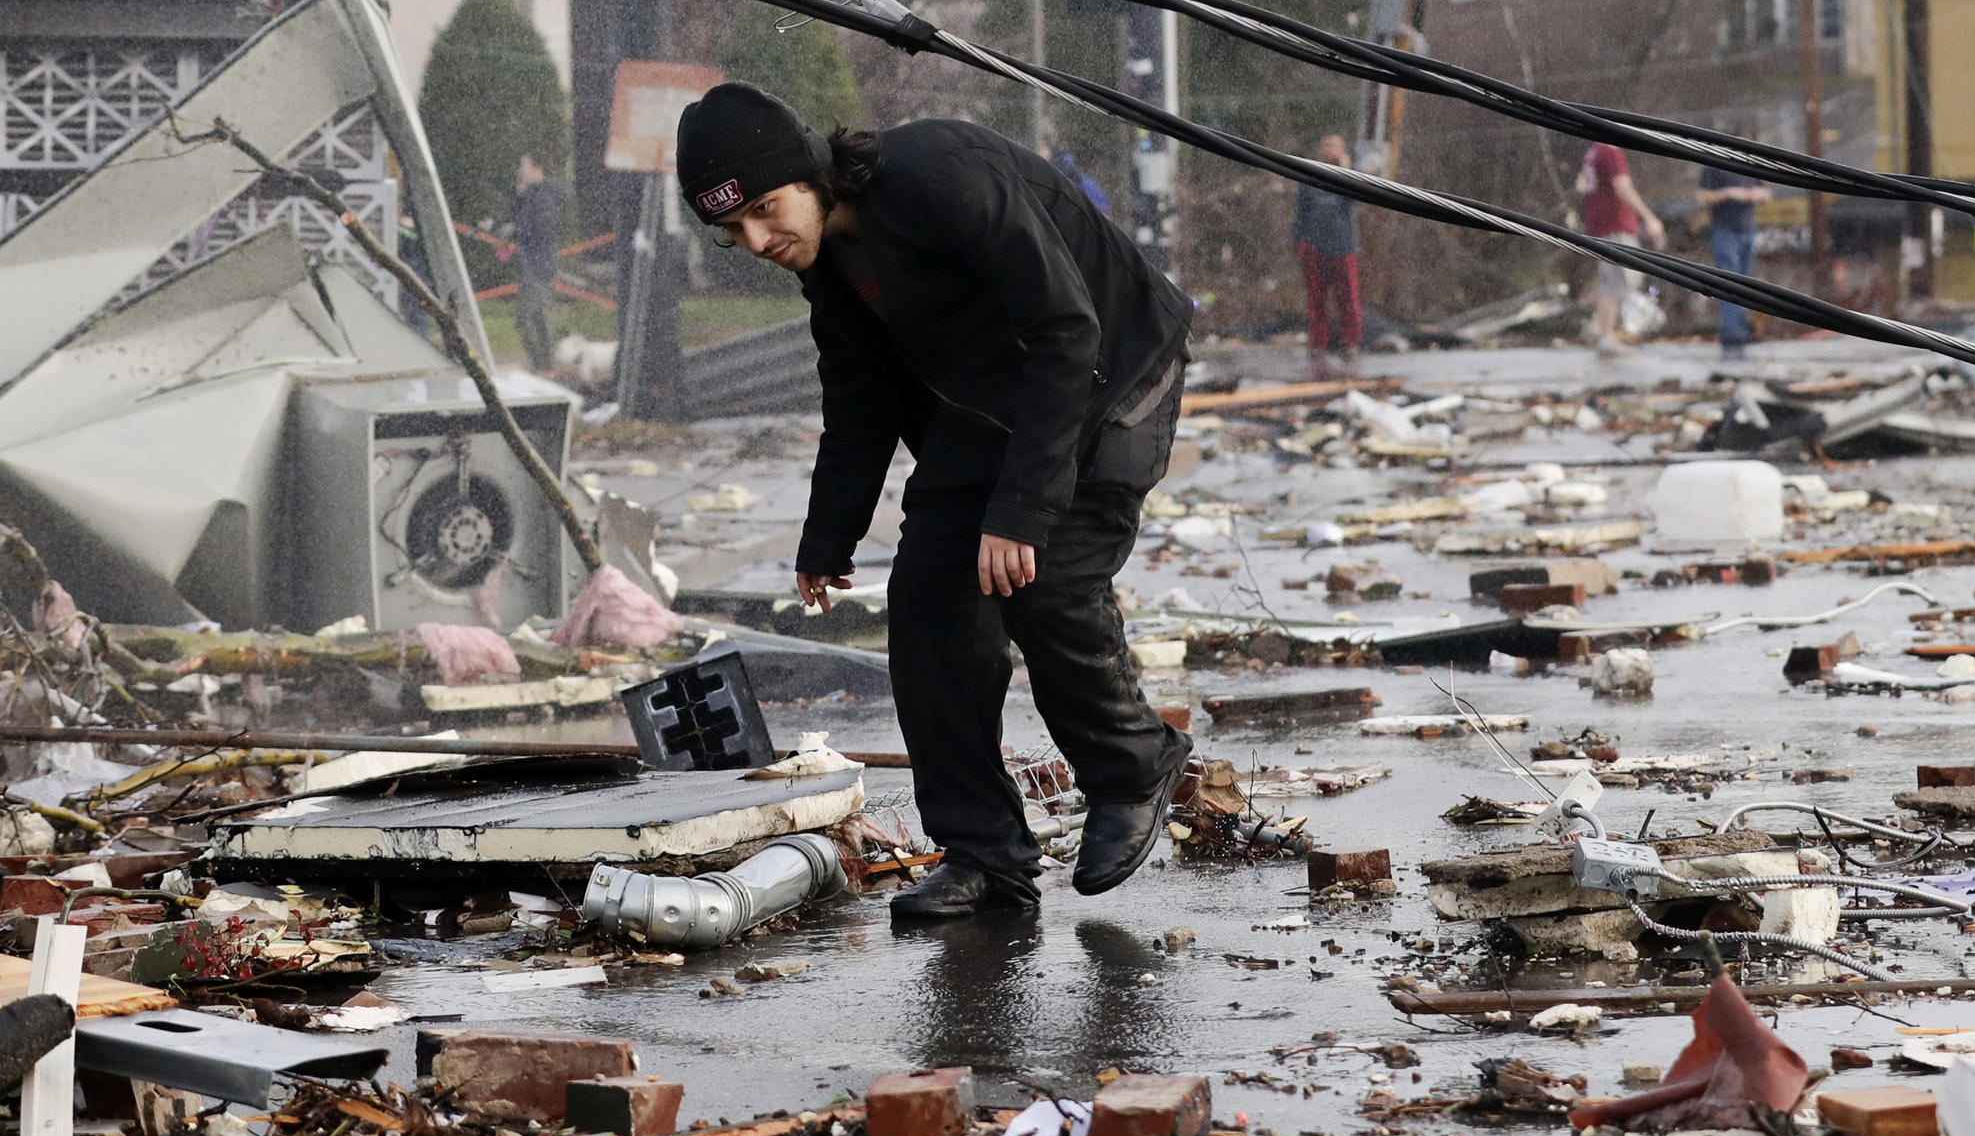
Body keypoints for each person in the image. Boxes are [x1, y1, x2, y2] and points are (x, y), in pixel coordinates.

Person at [677, 84, 1195, 920]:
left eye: (767, 211)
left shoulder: (942, 177)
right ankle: (985, 852)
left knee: (1045, 580)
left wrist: (1021, 511)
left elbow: (1067, 331)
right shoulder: (830, 268)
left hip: (1111, 371)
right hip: (989, 403)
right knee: (928, 609)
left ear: (812, 173)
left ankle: (1135, 767)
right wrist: (828, 535)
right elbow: (858, 399)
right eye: (735, 231)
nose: (759, 241)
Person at [1575, 141, 1666, 350]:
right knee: (1616, 282)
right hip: (1615, 225)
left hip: (1600, 225)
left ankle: (1598, 328)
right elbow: (1623, 188)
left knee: (1615, 279)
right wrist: (1649, 218)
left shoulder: (1593, 150)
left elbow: (1580, 184)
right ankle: (1605, 337)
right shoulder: (1610, 151)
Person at [1293, 132, 1364, 380]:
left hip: (1343, 247)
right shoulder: (1310, 176)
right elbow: (1300, 214)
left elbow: (1355, 201)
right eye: (1326, 146)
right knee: (1317, 301)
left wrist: (1348, 170)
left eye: (1334, 146)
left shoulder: (1350, 175)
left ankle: (1351, 344)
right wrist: (1300, 244)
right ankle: (1318, 346)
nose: (1330, 150)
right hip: (1314, 248)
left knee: (1348, 299)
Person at [1696, 163, 1773, 357]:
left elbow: (1766, 194)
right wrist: (1728, 193)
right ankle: (1733, 332)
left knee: (1745, 283)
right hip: (1724, 231)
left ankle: (1741, 328)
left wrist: (1757, 195)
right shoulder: (1712, 167)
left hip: (1748, 231)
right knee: (1729, 282)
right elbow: (1702, 197)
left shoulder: (1747, 165)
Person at [506, 150, 565, 373]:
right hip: (530, 263)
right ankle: (544, 365)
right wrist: (520, 198)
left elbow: (541, 228)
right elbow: (521, 218)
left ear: (536, 168)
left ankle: (542, 364)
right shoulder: (531, 195)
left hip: (538, 265)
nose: (521, 171)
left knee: (526, 318)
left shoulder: (545, 197)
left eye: (524, 166)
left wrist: (517, 229)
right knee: (537, 317)